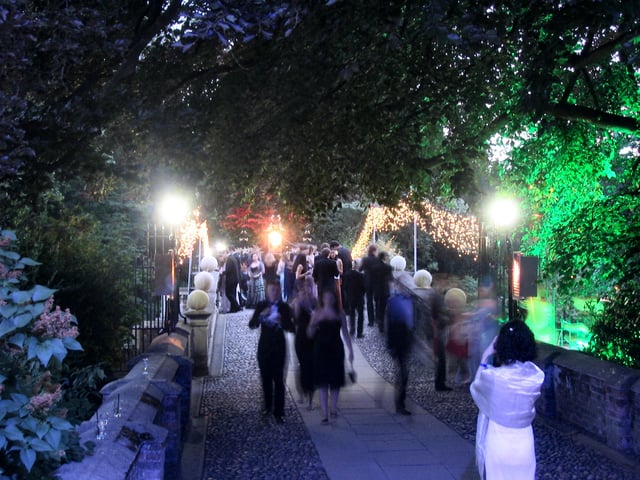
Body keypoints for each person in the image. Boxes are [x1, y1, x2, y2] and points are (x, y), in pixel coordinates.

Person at [470, 320, 544, 480]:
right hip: (524, 441)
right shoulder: (536, 376)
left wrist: (485, 356)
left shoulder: (494, 378)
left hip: (499, 441)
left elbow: (476, 388)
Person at [248, 281, 295, 423]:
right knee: (266, 379)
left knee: (279, 380)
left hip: (279, 347)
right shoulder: (262, 305)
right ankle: (267, 407)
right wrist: (261, 315)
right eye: (271, 290)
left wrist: (282, 321)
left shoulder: (284, 307)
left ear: (279, 292)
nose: (274, 293)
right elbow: (252, 325)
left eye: (276, 290)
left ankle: (279, 412)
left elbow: (292, 328)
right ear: (267, 292)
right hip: (265, 347)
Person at [307, 290, 354, 424]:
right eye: (325, 296)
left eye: (330, 297)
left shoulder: (340, 314)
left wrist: (350, 350)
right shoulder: (317, 313)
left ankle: (333, 408)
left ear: (334, 299)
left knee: (335, 381)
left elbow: (345, 333)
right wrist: (313, 324)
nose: (327, 299)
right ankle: (324, 413)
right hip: (321, 349)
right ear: (322, 298)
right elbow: (310, 334)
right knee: (322, 382)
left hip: (336, 348)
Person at [413, 269, 450, 391]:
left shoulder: (411, 294)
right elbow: (441, 314)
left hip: (417, 329)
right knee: (440, 357)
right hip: (434, 330)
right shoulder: (434, 295)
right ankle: (440, 383)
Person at [385, 289, 414, 415]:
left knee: (403, 372)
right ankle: (400, 403)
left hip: (406, 338)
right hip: (398, 338)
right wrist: (390, 342)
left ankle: (400, 402)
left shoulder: (409, 300)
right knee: (403, 372)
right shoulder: (395, 301)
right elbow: (390, 321)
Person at [293, 276, 317, 410]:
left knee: (311, 365)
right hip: (301, 335)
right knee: (302, 364)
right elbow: (295, 318)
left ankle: (310, 398)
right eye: (306, 285)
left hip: (312, 336)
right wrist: (298, 303)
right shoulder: (298, 301)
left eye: (310, 285)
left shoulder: (314, 301)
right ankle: (302, 393)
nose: (308, 288)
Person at [445, 288, 471, 384]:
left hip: (459, 340)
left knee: (461, 359)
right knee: (456, 359)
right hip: (455, 340)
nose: (454, 304)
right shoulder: (449, 313)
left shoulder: (461, 313)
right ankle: (456, 375)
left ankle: (463, 376)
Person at [370, 251, 392, 333]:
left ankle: (378, 320)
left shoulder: (374, 268)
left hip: (376, 289)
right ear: (384, 258)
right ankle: (381, 324)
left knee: (377, 305)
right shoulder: (388, 267)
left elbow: (372, 279)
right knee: (383, 307)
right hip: (385, 289)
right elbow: (391, 279)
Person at [343, 259, 365, 337]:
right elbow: (364, 287)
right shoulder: (361, 275)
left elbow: (345, 287)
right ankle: (359, 332)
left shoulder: (347, 274)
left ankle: (352, 330)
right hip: (359, 297)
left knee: (352, 314)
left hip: (351, 297)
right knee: (360, 315)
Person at [359, 244, 380, 327]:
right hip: (377, 283)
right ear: (375, 251)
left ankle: (371, 321)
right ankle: (378, 318)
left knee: (369, 301)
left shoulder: (365, 259)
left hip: (367, 282)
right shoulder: (378, 260)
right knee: (377, 301)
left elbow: (360, 269)